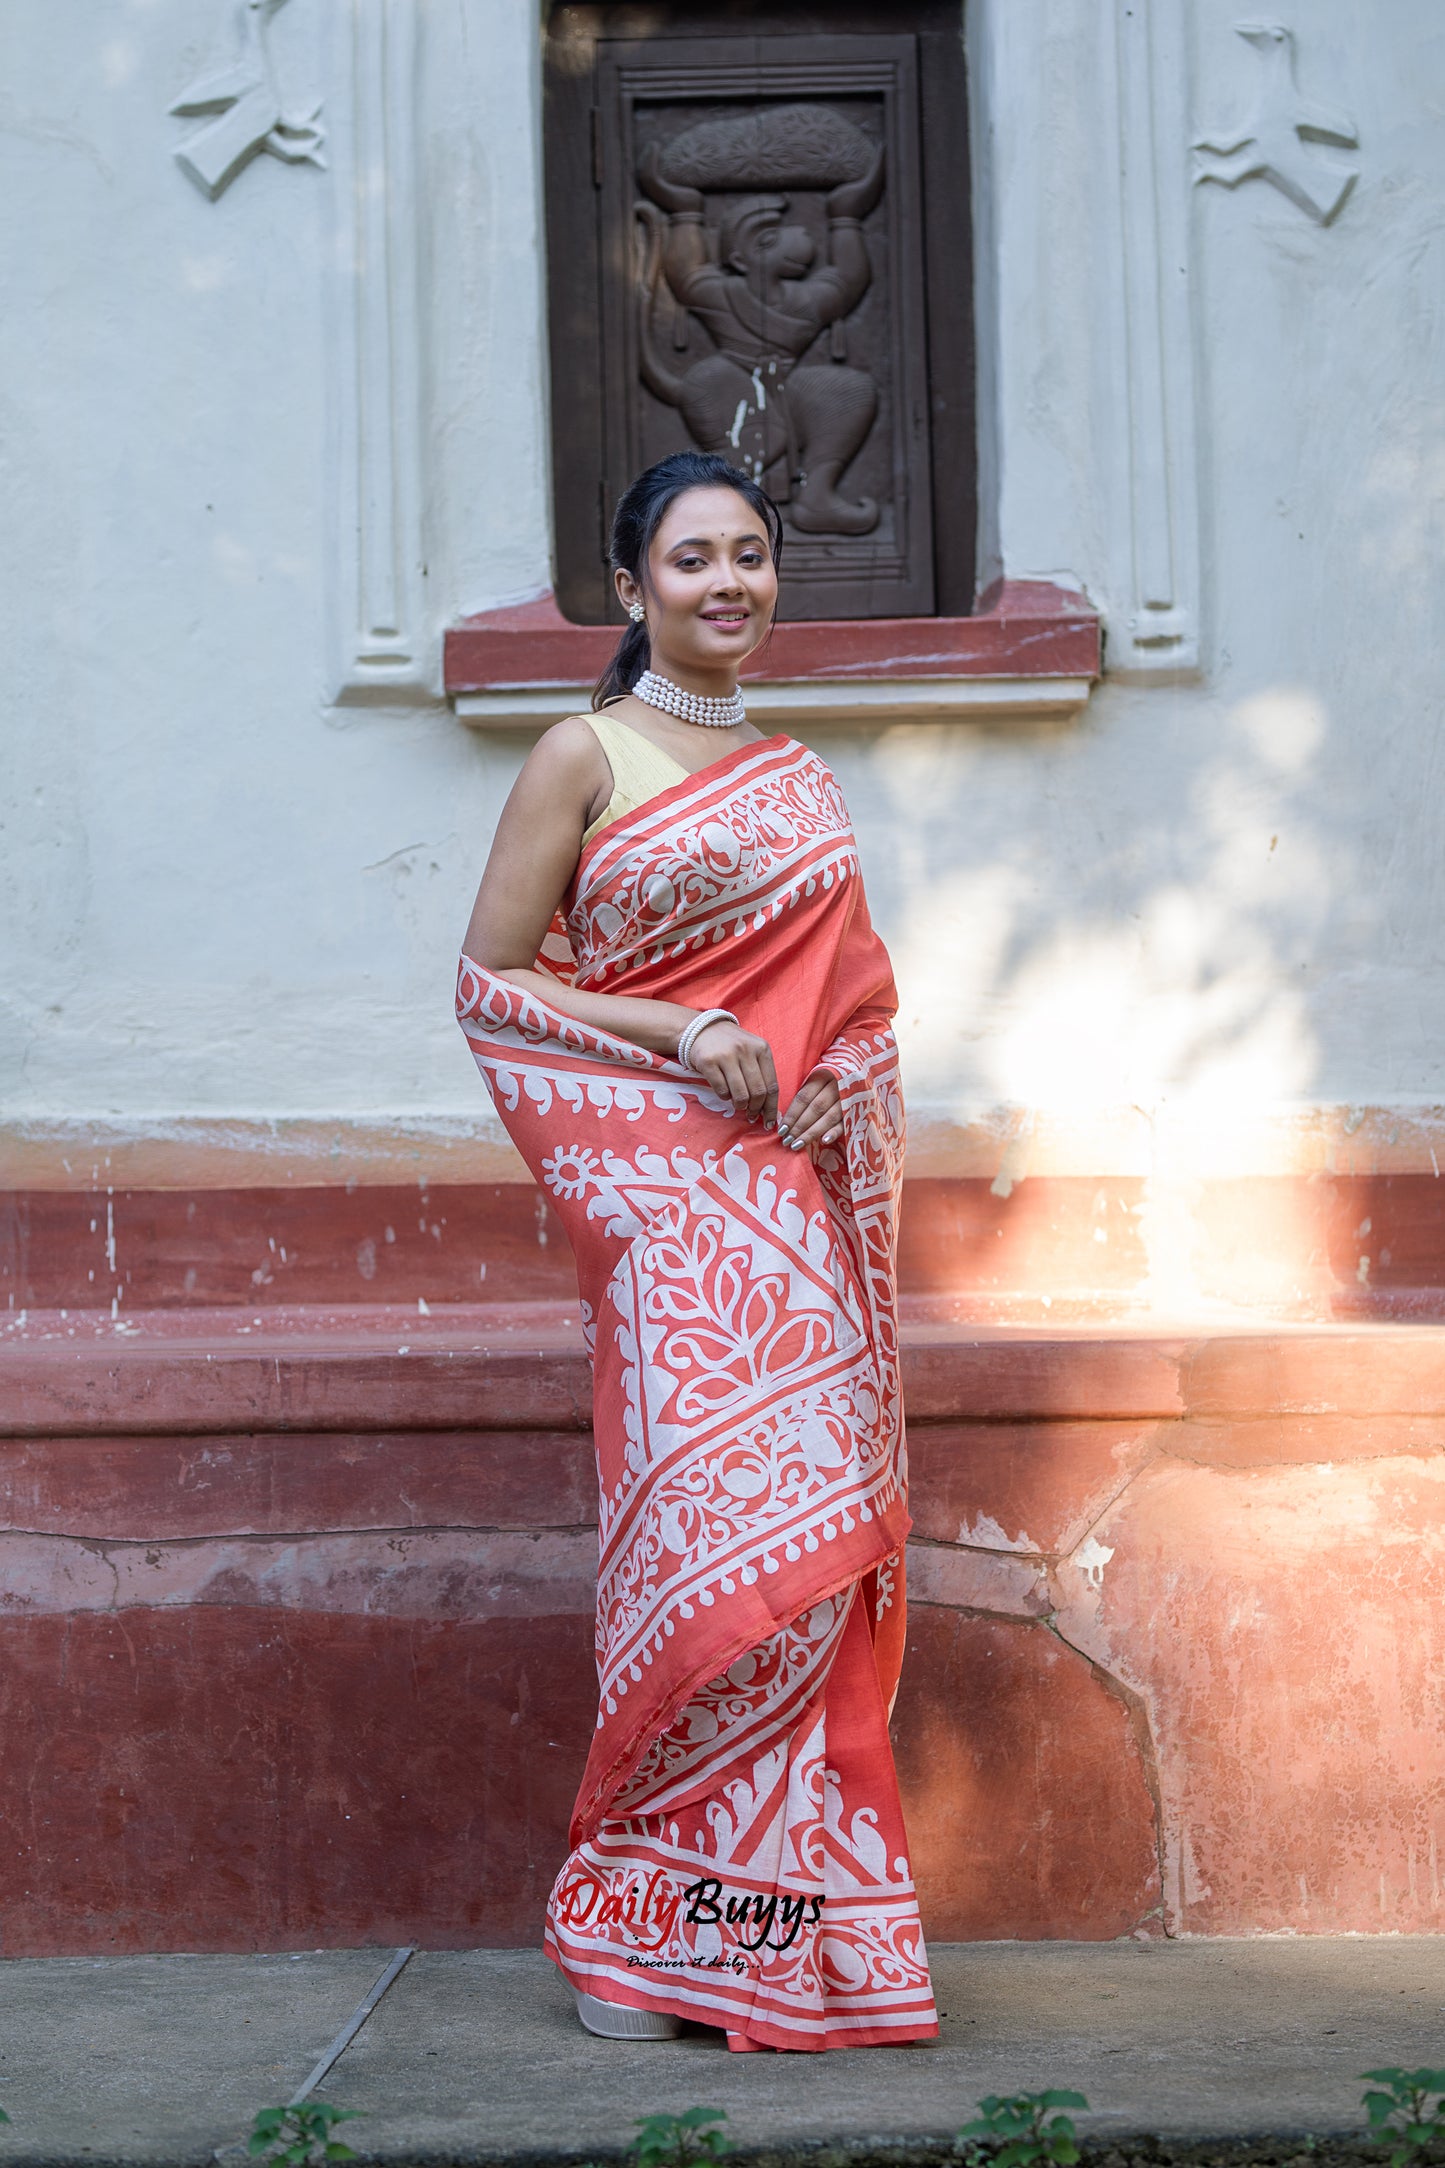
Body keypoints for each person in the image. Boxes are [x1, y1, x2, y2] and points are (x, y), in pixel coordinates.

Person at [456, 449, 937, 2053]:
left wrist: (832, 1080)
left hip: (795, 1218)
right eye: (691, 560)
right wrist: (684, 1024)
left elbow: (858, 1017)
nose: (727, 583)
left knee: (799, 1588)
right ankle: (632, 1937)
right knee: (695, 1565)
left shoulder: (799, 776)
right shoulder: (578, 753)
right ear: (630, 587)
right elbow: (495, 987)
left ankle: (759, 1937)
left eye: (750, 555)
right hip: (673, 1230)